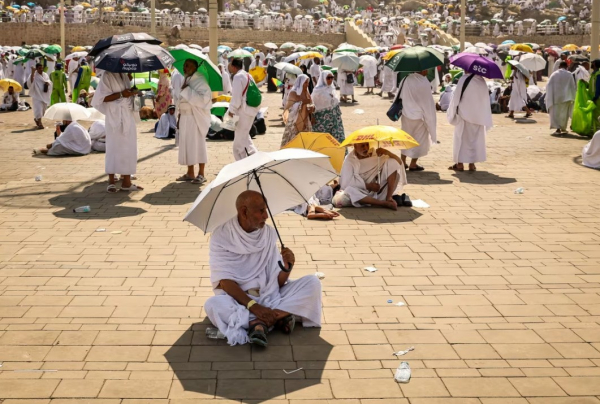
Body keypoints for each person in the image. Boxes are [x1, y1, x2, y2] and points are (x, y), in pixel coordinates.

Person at [204, 190, 322, 347]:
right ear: (244, 212)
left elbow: (277, 283)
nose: (266, 216)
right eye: (261, 211)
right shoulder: (221, 236)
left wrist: (287, 267)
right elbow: (225, 282)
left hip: (269, 295)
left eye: (266, 210)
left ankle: (259, 324)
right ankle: (278, 317)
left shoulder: (268, 234)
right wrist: (254, 307)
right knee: (213, 305)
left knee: (312, 283)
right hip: (239, 300)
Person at [91, 71, 142, 193]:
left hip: (127, 115)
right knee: (113, 147)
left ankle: (126, 181)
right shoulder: (107, 75)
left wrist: (132, 91)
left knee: (129, 147)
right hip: (114, 116)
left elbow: (126, 94)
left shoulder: (124, 75)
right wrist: (121, 94)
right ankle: (111, 181)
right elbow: (101, 98)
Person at [334, 142, 407, 210]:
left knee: (392, 162)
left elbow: (399, 162)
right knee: (349, 190)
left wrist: (388, 153)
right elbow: (346, 184)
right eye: (362, 146)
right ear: (355, 146)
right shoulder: (349, 160)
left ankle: (389, 198)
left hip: (376, 192)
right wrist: (368, 186)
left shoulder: (375, 154)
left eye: (367, 145)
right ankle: (383, 203)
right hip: (359, 192)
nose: (366, 148)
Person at [447, 73, 493, 172]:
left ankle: (460, 164)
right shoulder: (481, 81)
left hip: (464, 115)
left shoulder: (463, 79)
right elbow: (484, 99)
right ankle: (472, 165)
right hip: (478, 116)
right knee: (475, 140)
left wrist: (452, 112)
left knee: (461, 140)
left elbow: (456, 98)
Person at [176, 59, 211, 185]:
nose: (185, 68)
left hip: (195, 118)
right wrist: (179, 117)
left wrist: (187, 91)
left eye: (188, 66)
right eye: (184, 65)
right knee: (187, 145)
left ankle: (201, 173)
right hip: (185, 117)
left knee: (198, 145)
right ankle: (190, 172)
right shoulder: (187, 79)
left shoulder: (200, 80)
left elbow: (205, 99)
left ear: (195, 67)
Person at [398, 71, 437, 171]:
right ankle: (413, 163)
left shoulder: (406, 79)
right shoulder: (424, 81)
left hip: (406, 114)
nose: (427, 71)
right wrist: (430, 118)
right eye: (426, 69)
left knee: (405, 138)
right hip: (420, 116)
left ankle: (402, 162)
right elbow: (427, 102)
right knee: (419, 139)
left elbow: (400, 95)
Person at [227, 58, 259, 160]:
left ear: (233, 66)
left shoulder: (238, 77)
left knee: (238, 144)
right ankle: (256, 159)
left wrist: (231, 111)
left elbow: (236, 98)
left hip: (243, 112)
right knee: (245, 138)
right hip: (251, 110)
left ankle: (243, 165)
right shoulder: (248, 75)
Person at [311, 71, 345, 143]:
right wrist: (312, 116)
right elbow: (312, 105)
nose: (330, 80)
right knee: (323, 141)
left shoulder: (332, 89)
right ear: (323, 78)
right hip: (322, 121)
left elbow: (335, 103)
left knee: (338, 139)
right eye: (328, 78)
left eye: (332, 78)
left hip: (335, 120)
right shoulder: (317, 91)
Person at [280, 74, 313, 147]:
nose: (307, 84)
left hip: (304, 118)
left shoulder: (306, 92)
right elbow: (290, 107)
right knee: (292, 137)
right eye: (305, 82)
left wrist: (311, 107)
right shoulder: (293, 92)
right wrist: (302, 103)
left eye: (308, 82)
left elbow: (310, 102)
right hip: (294, 119)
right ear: (301, 82)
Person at [546, 61, 577, 136]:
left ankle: (558, 128)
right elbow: (572, 86)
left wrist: (549, 96)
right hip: (566, 97)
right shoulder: (569, 74)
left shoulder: (554, 74)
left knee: (556, 113)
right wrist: (573, 97)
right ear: (566, 67)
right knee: (563, 114)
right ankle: (563, 127)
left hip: (555, 97)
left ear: (559, 66)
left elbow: (548, 86)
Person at [29, 63, 52, 130]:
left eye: (42, 68)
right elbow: (31, 82)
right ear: (36, 68)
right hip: (37, 96)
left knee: (43, 111)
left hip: (44, 95)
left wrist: (47, 83)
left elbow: (49, 81)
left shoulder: (45, 74)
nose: (41, 69)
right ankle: (40, 123)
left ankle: (36, 119)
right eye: (39, 68)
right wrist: (33, 72)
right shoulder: (34, 75)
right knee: (38, 109)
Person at [588, 59, 600, 134]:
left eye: (592, 63)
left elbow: (598, 86)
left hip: (597, 98)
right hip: (593, 97)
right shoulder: (593, 74)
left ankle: (597, 132)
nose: (591, 64)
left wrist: (596, 96)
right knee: (594, 115)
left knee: (597, 115)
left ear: (595, 64)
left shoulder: (598, 74)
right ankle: (595, 132)